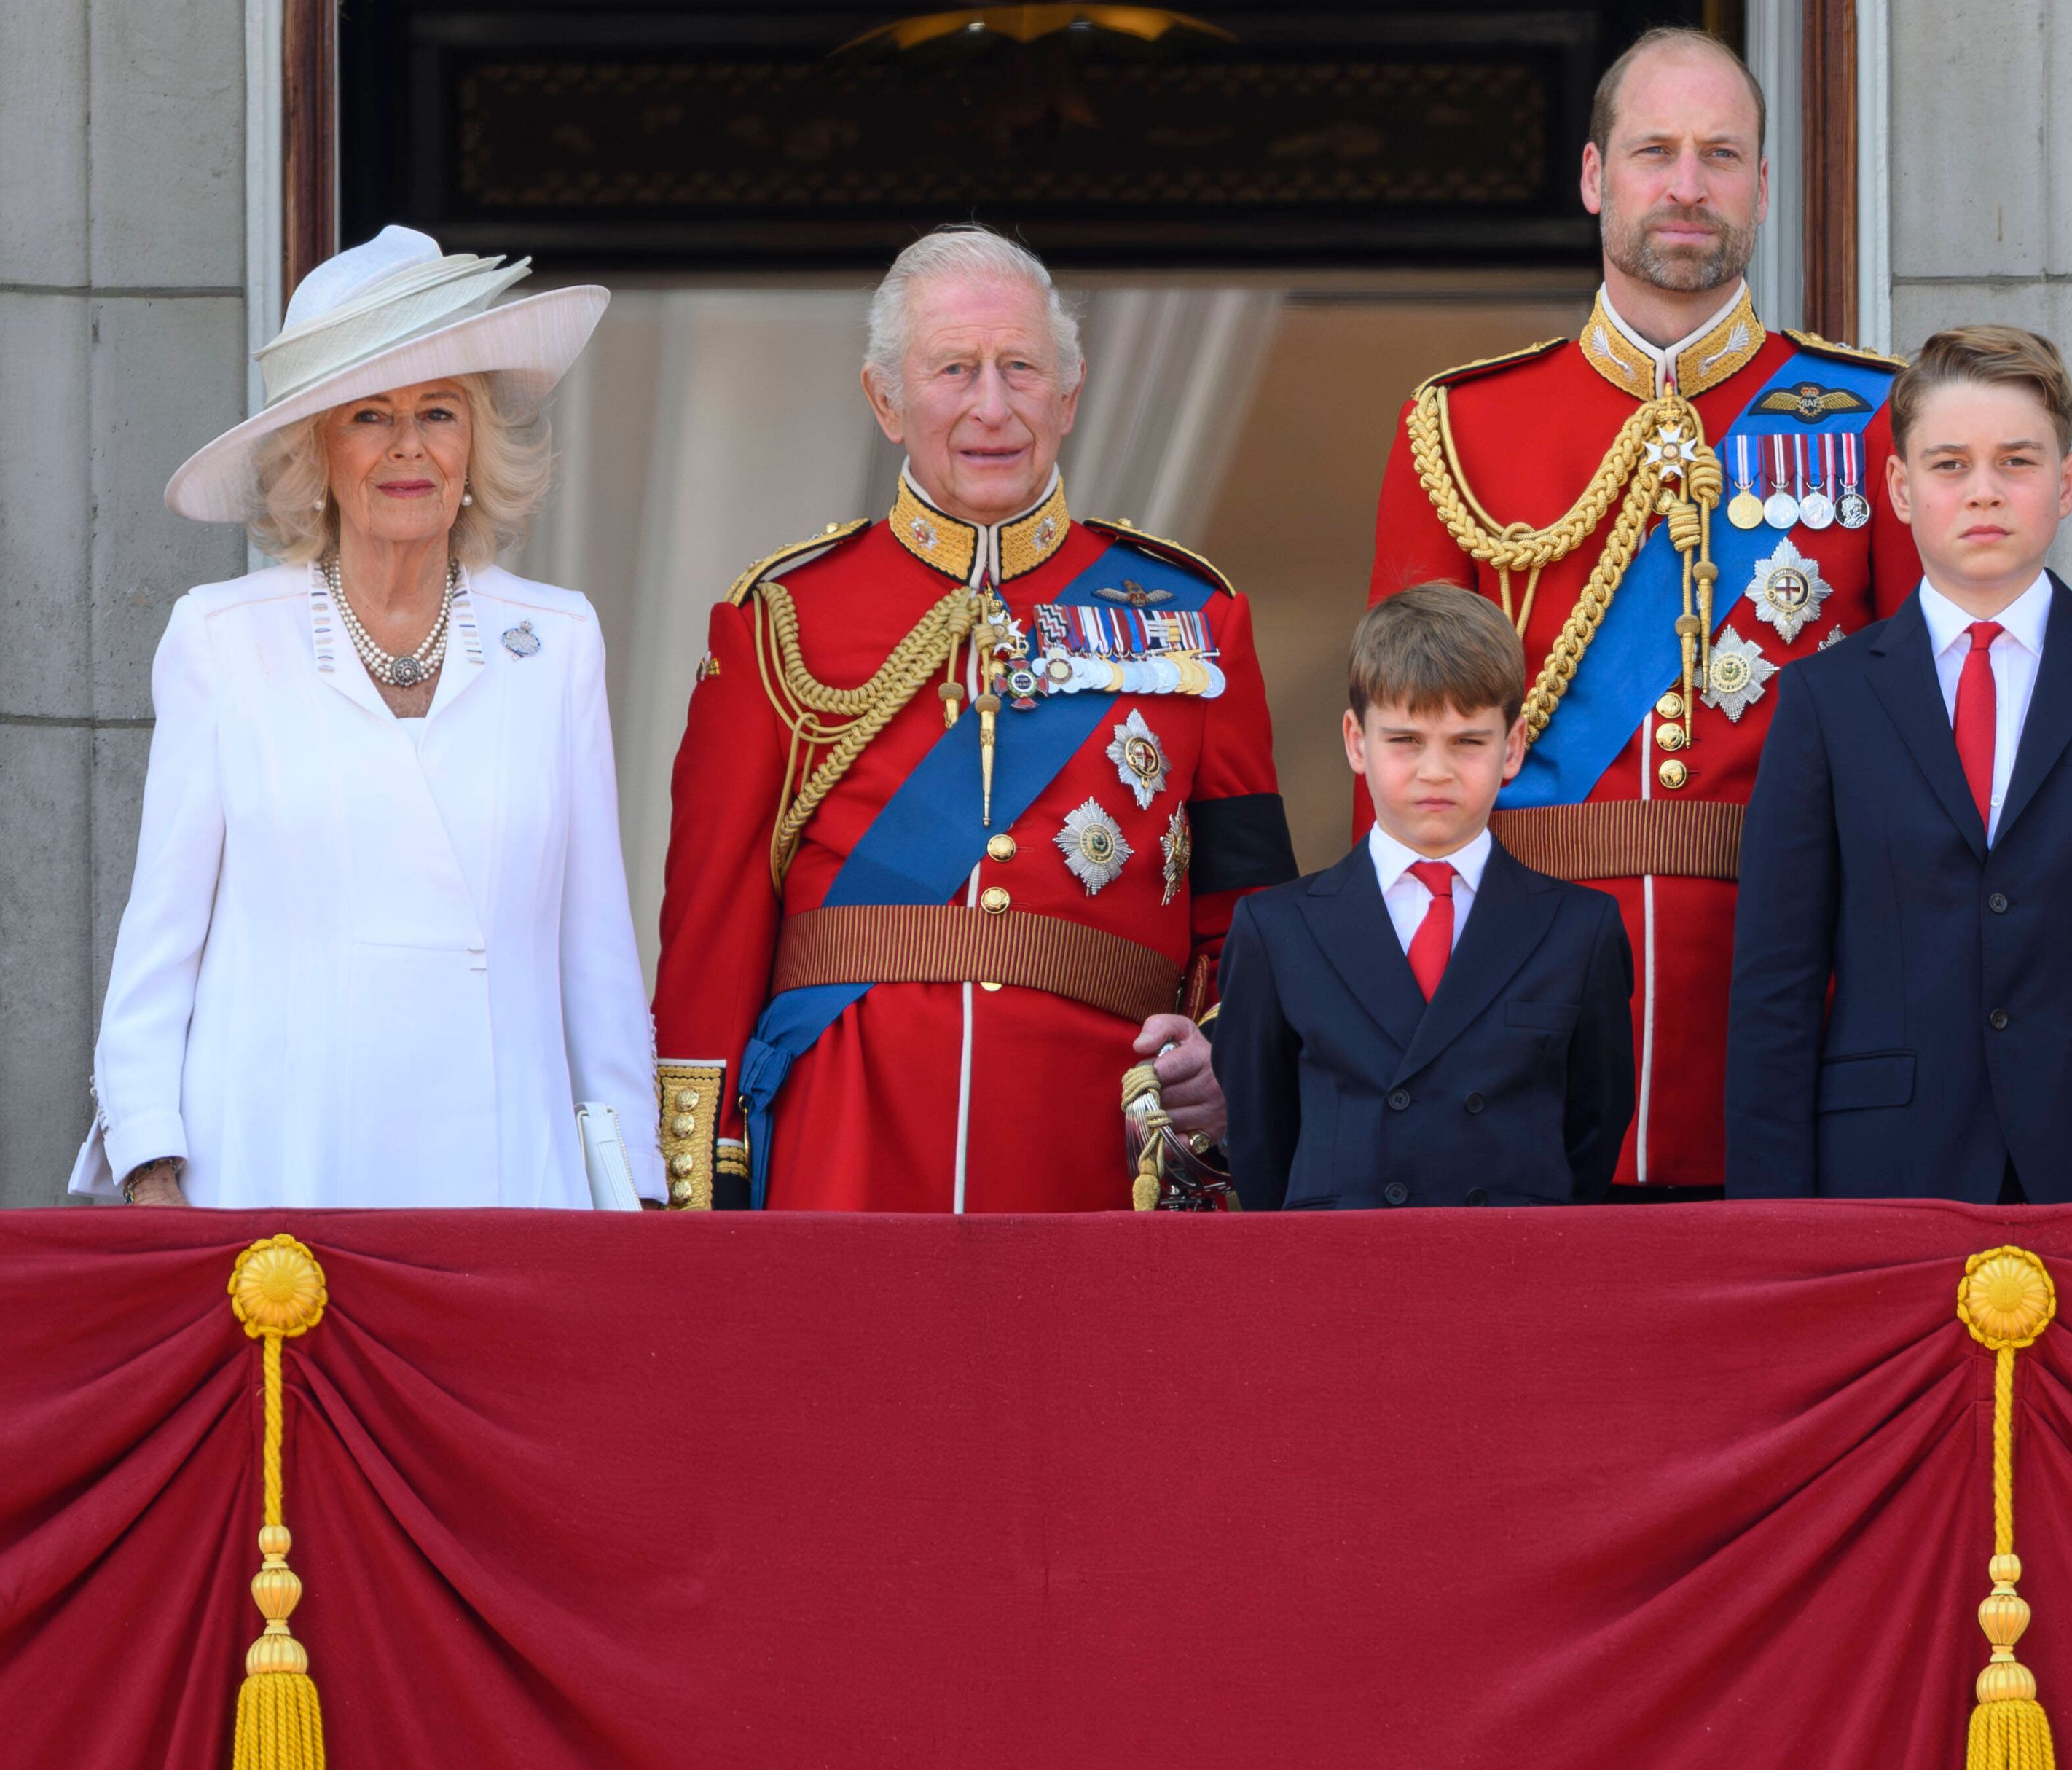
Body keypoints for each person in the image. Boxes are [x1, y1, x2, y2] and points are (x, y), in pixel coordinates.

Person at [1365, 25, 1923, 1201]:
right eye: (1653, 151)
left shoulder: (1874, 421)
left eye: (1721, 155)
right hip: (1520, 1005)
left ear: (1765, 188)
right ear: (1591, 177)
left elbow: (1922, 752)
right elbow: (1404, 761)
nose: (1685, 185)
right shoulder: (1463, 428)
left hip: (1790, 993)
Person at [651, 223, 1297, 1213]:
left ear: (1071, 396)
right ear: (886, 400)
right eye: (953, 369)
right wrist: (700, 1186)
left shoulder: (1194, 621)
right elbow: (713, 936)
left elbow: (1245, 919)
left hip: (1089, 1154)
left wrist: (1221, 1068)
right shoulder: (779, 620)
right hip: (842, 1144)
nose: (991, 408)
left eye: (1022, 369)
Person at [74, 224, 659, 1208]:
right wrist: (149, 1164)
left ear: (476, 443)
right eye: (369, 417)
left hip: (510, 1186)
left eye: (439, 412)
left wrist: (632, 1186)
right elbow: (160, 938)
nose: (408, 448)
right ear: (317, 451)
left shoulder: (557, 641)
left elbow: (594, 948)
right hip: (275, 1173)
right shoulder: (223, 638)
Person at [1724, 326, 2072, 1203]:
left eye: (2016, 462)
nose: (1983, 492)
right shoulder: (1824, 701)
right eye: (1949, 465)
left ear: (2066, 482)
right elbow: (1774, 983)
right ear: (1899, 489)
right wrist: (1771, 1225)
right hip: (1880, 1171)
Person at [1214, 586, 1636, 1210]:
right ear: (1357, 741)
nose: (1435, 770)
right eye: (1406, 740)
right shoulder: (1276, 930)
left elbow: (1592, 1130)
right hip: (1340, 1274)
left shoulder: (1581, 928)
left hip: (1514, 1273)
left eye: (1468, 741)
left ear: (1513, 747)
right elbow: (1260, 1139)